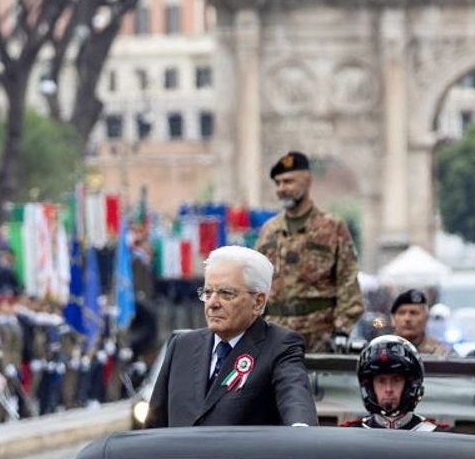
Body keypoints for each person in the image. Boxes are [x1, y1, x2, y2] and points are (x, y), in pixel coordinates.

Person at [143, 245, 317, 428]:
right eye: (208, 292)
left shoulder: (280, 347)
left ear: (258, 302)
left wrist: (300, 429)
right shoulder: (181, 346)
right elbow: (154, 426)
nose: (212, 303)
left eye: (226, 294)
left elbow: (295, 397)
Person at [254, 151, 364, 351]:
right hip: (274, 336)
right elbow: (255, 282)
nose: (282, 189)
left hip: (319, 338)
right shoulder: (269, 231)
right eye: (278, 183)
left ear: (307, 181)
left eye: (288, 182)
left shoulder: (332, 228)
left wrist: (341, 330)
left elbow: (348, 281)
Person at [340, 335, 447, 431]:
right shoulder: (349, 434)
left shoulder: (436, 435)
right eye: (381, 381)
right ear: (369, 387)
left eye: (396, 380)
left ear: (410, 386)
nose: (388, 389)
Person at [388, 289, 447, 357]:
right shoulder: (383, 351)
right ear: (393, 318)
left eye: (414, 313)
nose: (407, 319)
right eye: (402, 313)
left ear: (426, 318)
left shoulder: (441, 354)